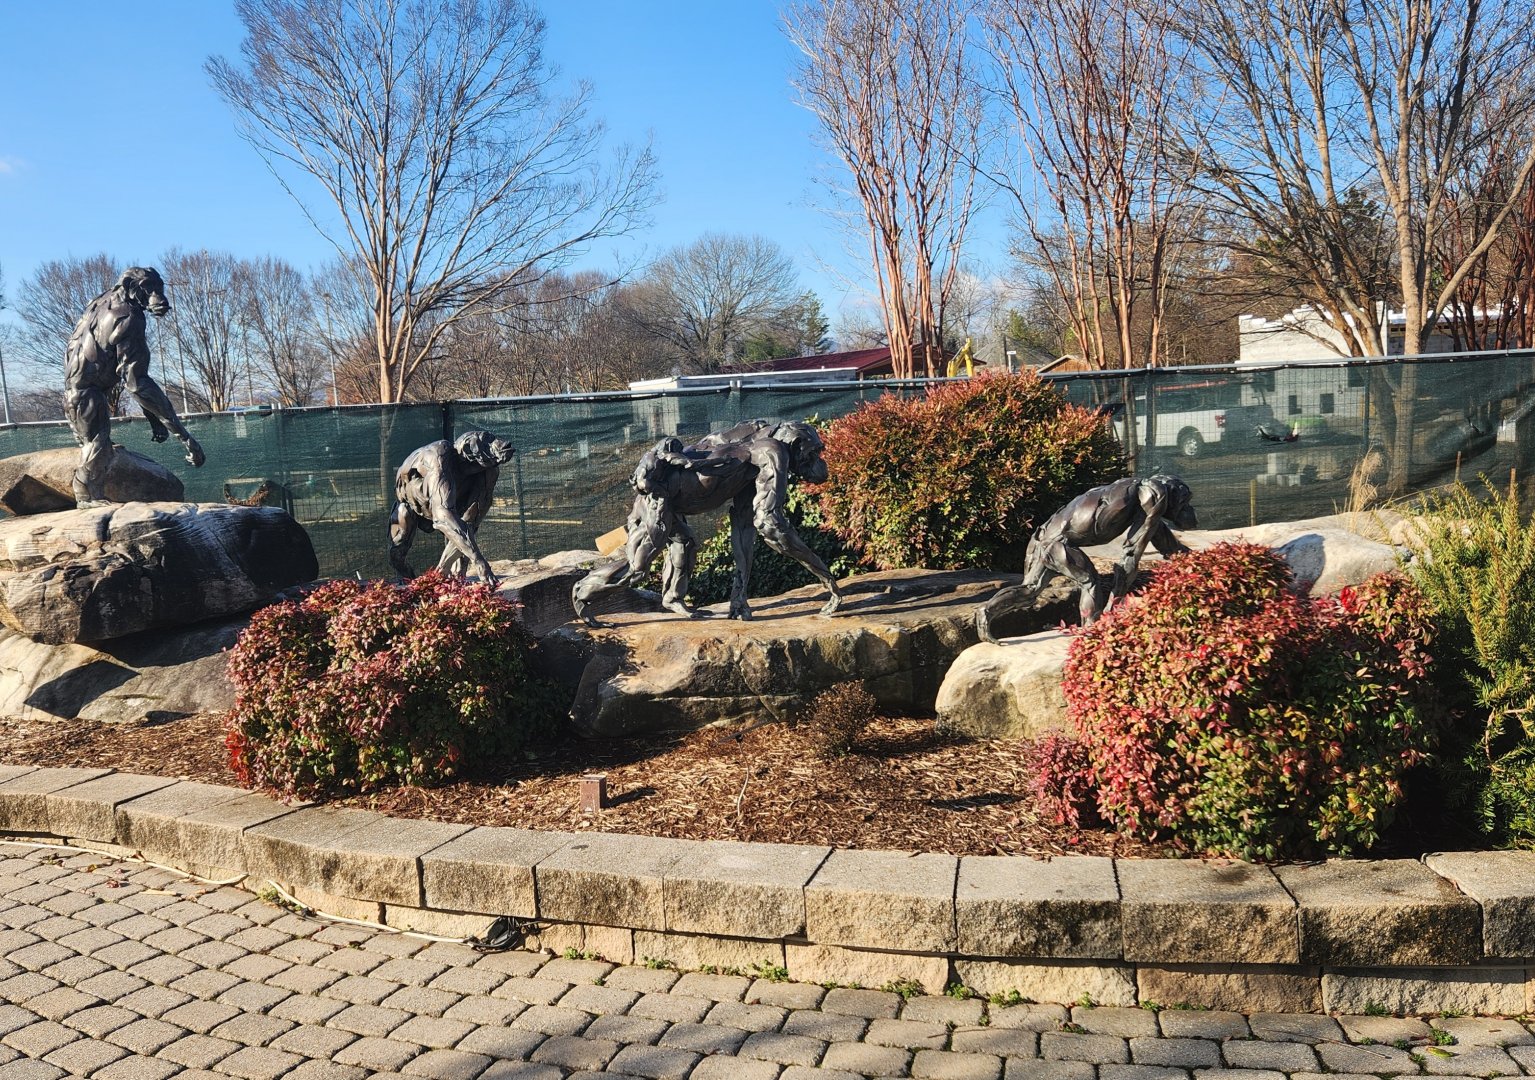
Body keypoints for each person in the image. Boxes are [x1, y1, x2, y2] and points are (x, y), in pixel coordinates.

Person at [63, 267, 205, 506]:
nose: (158, 298)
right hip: (87, 396)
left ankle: (90, 492)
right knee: (97, 447)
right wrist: (185, 436)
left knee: (100, 448)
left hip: (75, 393)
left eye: (158, 289)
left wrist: (153, 419)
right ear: (131, 288)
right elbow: (137, 383)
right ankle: (86, 497)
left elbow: (128, 377)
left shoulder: (101, 302)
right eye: (148, 290)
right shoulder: (129, 318)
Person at [388, 429, 516, 583]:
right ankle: (408, 581)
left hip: (454, 497)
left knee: (464, 535)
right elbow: (443, 517)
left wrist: (445, 568)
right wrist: (478, 560)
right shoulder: (439, 457)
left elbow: (470, 523)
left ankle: (449, 578)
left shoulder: (489, 470)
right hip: (413, 501)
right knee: (398, 551)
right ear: (468, 452)